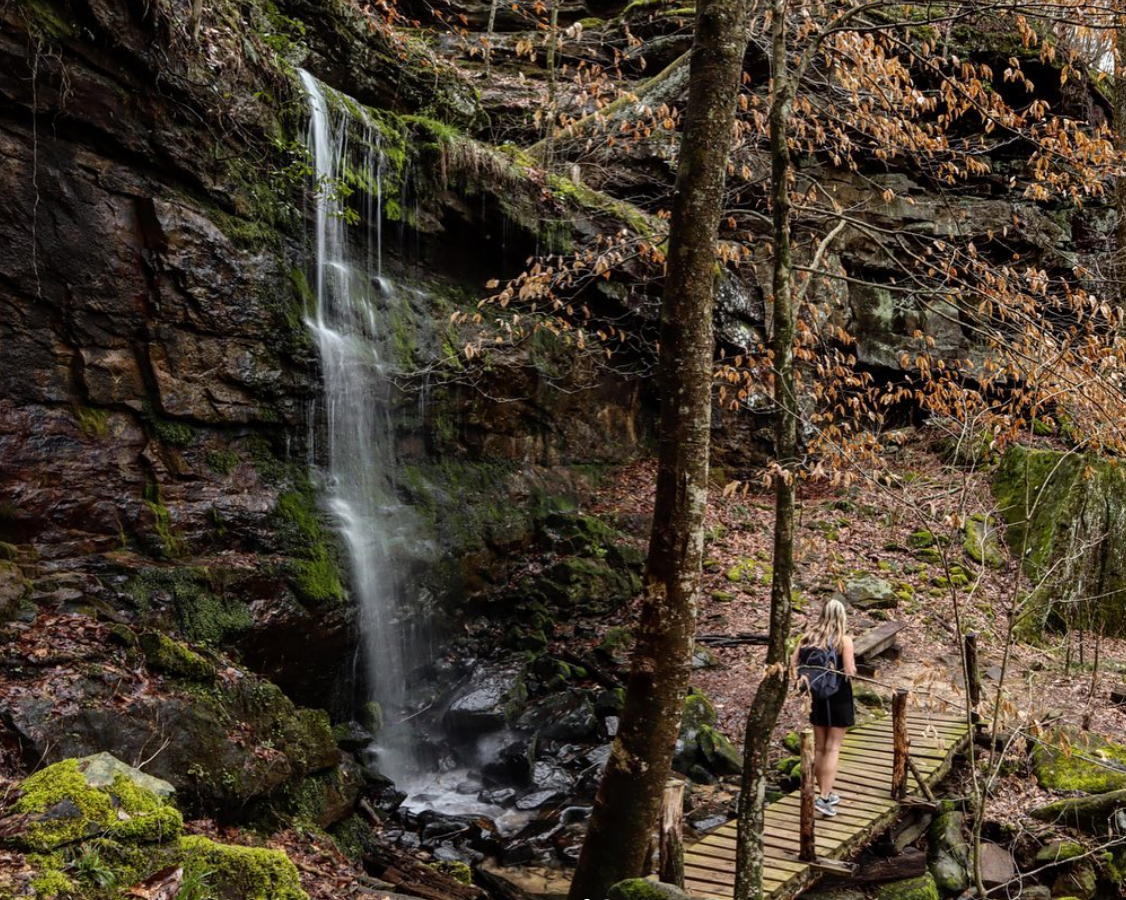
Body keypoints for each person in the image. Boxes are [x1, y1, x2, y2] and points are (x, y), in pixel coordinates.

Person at [791, 598, 856, 818]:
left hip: (817, 696)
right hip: (839, 696)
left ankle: (822, 793)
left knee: (819, 747)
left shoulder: (807, 637)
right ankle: (825, 797)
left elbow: (793, 665)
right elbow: (849, 671)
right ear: (841, 616)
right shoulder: (843, 640)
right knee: (833, 747)